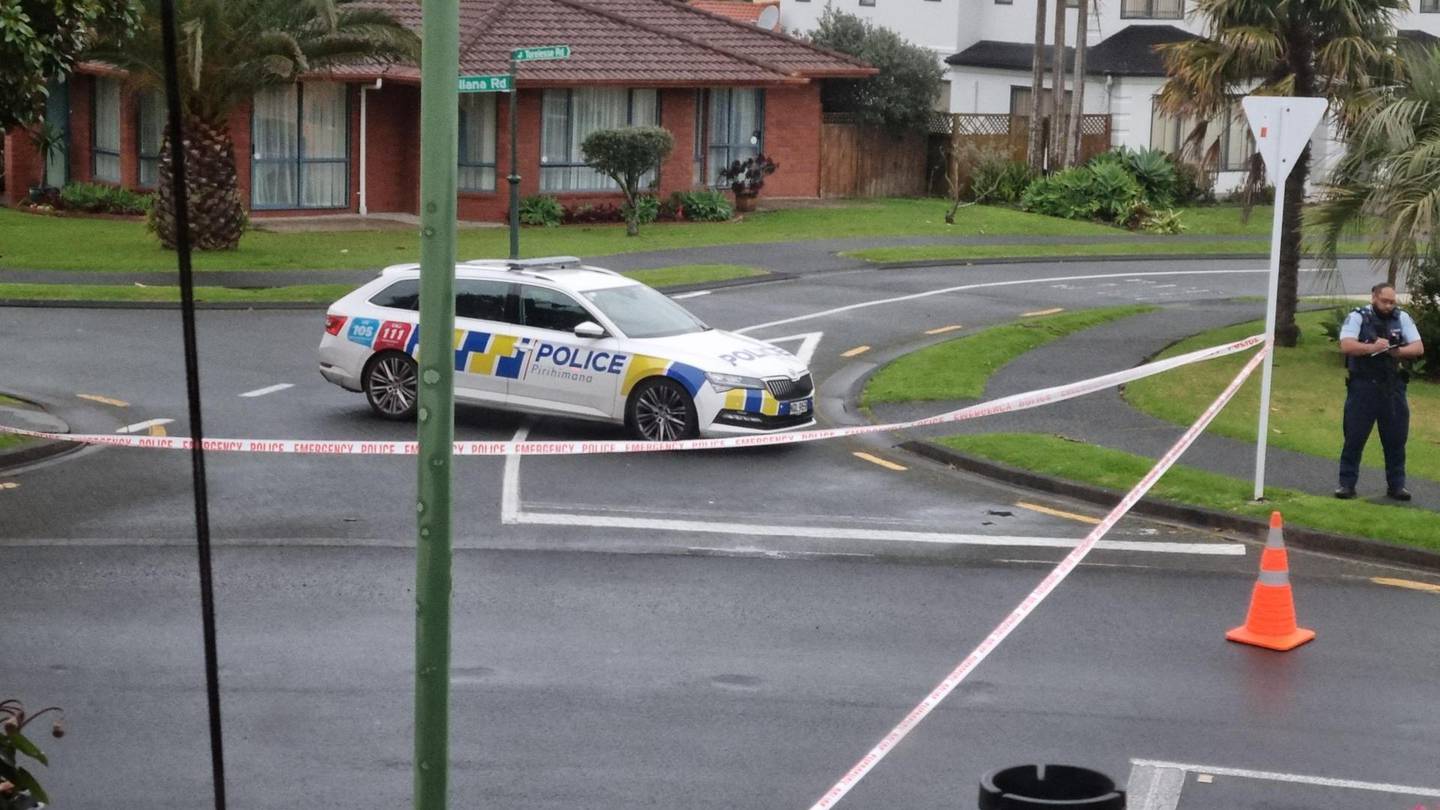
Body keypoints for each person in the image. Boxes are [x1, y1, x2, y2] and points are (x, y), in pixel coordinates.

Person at [1335, 283, 1425, 500]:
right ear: (1374, 297)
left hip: (1392, 387)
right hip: (1363, 387)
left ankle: (1397, 486)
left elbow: (1418, 348)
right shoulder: (1358, 317)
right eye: (1385, 301)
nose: (1388, 305)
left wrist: (1397, 351)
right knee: (1354, 438)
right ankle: (1347, 484)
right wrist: (1371, 348)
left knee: (1396, 439)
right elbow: (1346, 345)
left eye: (1392, 301)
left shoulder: (1401, 318)